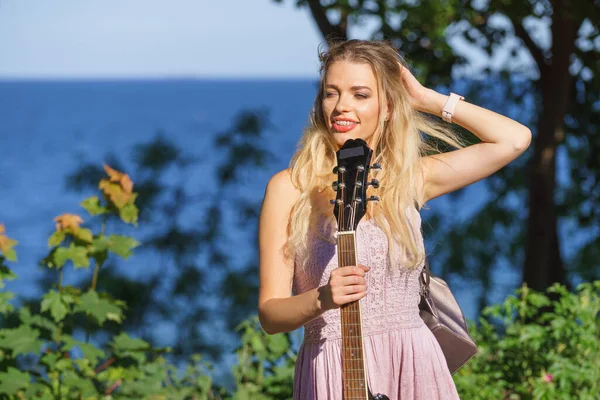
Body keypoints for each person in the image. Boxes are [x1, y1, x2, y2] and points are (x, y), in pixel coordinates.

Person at [257, 39, 531, 399]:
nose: (341, 107)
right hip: (333, 369)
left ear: (387, 106)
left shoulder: (410, 178)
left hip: (413, 365)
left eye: (360, 95)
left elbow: (514, 139)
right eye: (331, 93)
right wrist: (321, 299)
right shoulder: (289, 188)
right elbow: (270, 314)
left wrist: (427, 99)